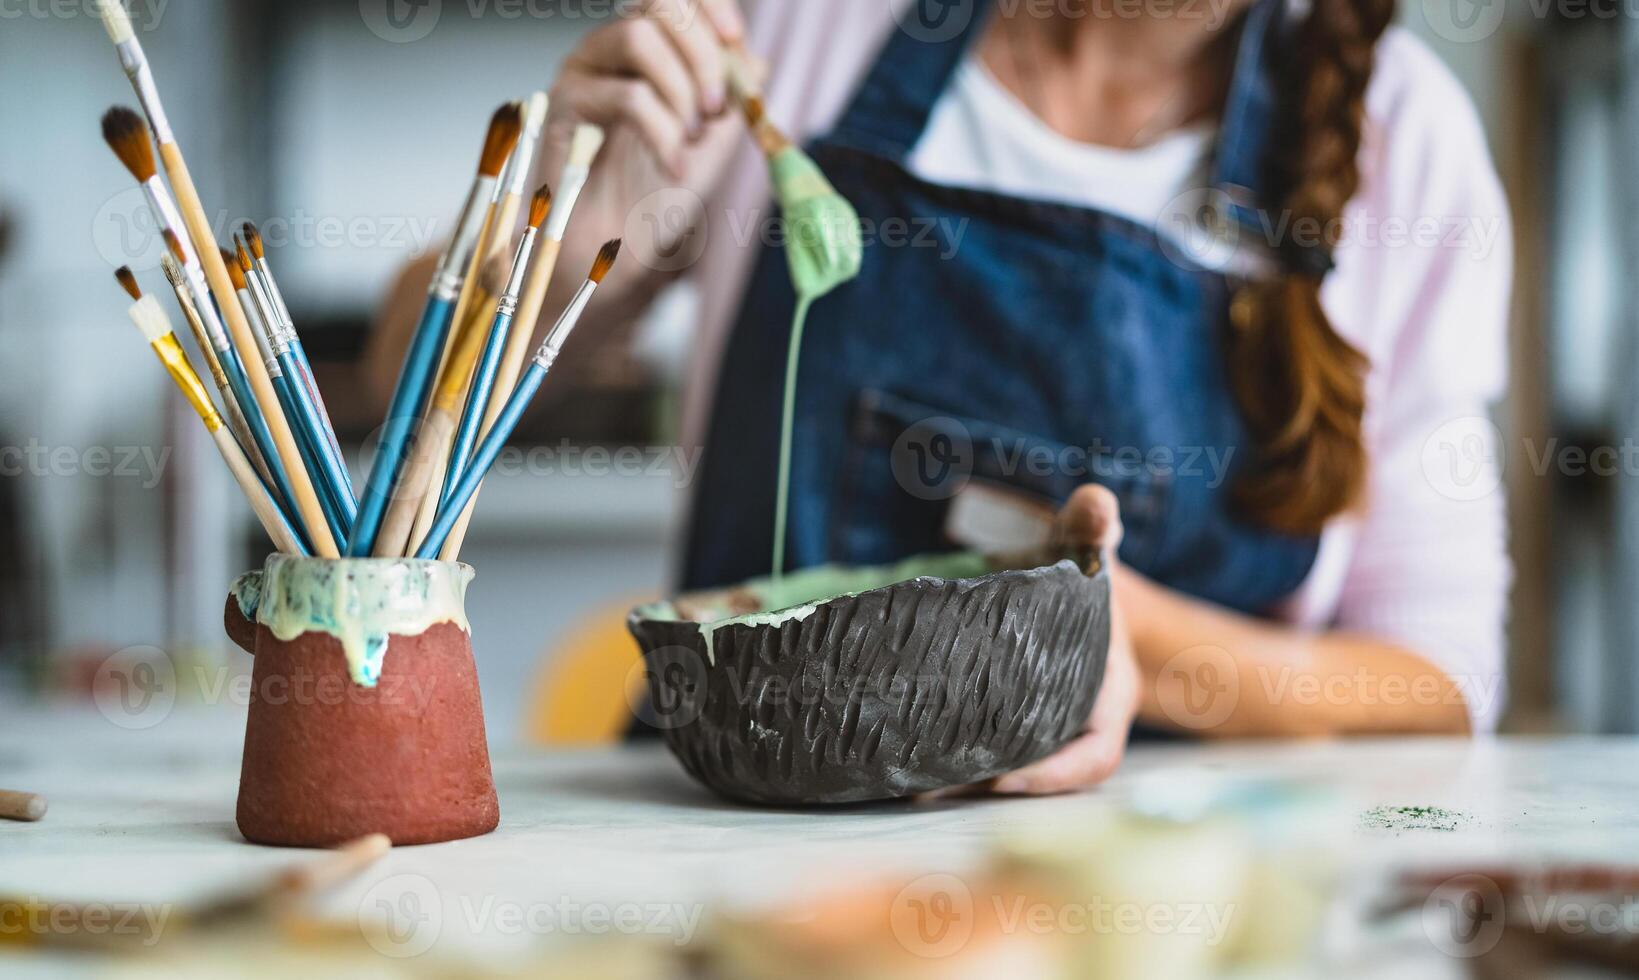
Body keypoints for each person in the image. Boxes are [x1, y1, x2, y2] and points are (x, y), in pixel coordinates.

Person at [402, 0, 1513, 792]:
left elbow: (1440, 679)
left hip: (1156, 893)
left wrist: (1122, 640)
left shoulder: (1401, 141)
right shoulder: (794, 29)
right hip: (735, 856)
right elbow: (404, 383)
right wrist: (562, 226)